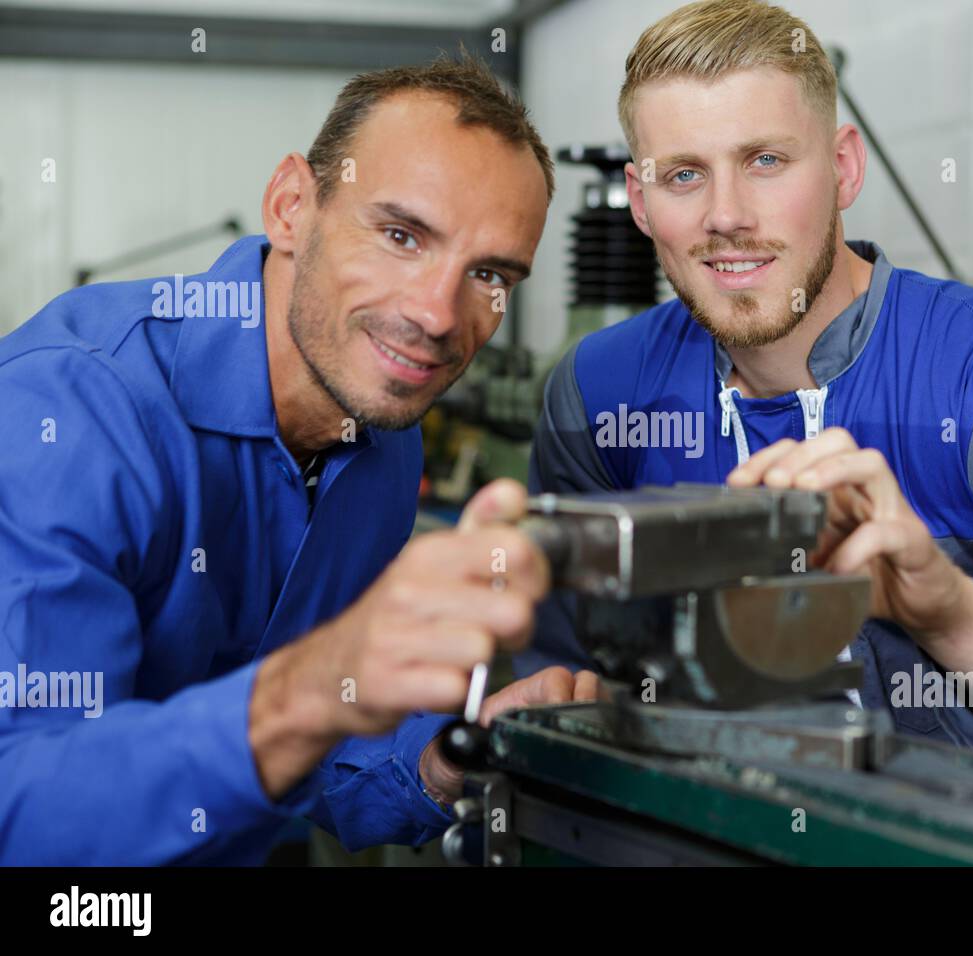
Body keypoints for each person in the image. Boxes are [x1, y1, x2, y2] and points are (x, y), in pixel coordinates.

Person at [521, 0, 973, 791]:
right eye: (684, 175)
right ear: (640, 202)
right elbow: (555, 688)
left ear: (845, 167)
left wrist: (951, 613)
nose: (726, 217)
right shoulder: (595, 397)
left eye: (766, 161)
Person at [0, 55, 595, 865]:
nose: (435, 314)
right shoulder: (69, 415)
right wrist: (308, 688)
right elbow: (27, 811)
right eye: (399, 235)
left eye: (488, 274)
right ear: (290, 207)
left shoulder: (382, 439)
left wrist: (444, 755)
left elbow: (316, 750)